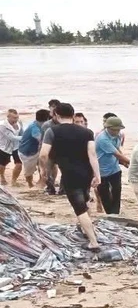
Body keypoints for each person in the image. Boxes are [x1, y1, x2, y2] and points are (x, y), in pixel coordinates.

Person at [38, 102, 100, 249]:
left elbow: (43, 155)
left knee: (79, 209)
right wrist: (98, 175)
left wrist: (43, 171)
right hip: (86, 172)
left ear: (56, 115)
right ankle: (88, 230)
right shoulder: (87, 132)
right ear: (72, 116)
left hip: (69, 174)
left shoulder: (52, 131)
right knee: (84, 201)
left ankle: (93, 242)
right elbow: (92, 154)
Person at [94, 116, 129, 214]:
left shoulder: (119, 135)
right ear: (108, 128)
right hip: (102, 171)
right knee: (105, 195)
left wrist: (124, 163)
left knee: (117, 192)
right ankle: (110, 214)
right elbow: (116, 154)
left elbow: (118, 150)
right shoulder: (102, 139)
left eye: (119, 129)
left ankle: (115, 213)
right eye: (115, 129)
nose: (117, 131)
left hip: (114, 169)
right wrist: (132, 163)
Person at [17, 109, 50, 188]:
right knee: (29, 172)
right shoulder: (34, 127)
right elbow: (39, 138)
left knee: (42, 165)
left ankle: (41, 180)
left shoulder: (39, 124)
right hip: (27, 153)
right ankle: (30, 184)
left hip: (36, 150)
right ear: (47, 119)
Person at [41, 99, 61, 195]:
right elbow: (43, 140)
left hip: (62, 152)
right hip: (50, 151)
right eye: (51, 107)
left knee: (65, 171)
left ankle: (63, 189)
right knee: (47, 171)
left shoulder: (64, 122)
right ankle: (50, 187)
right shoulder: (47, 124)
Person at [0, 109, 23, 186]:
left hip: (16, 146)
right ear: (8, 117)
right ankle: (2, 177)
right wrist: (26, 138)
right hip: (4, 147)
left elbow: (22, 133)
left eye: (17, 117)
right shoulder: (2, 125)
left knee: (19, 164)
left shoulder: (19, 122)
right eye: (14, 118)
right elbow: (12, 137)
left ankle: (14, 181)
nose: (16, 119)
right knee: (2, 165)